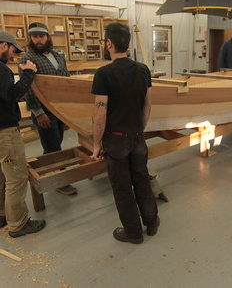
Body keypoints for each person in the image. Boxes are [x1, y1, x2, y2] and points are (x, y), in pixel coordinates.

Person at [91, 23, 159, 244]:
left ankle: (133, 232)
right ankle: (151, 221)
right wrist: (139, 130)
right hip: (137, 137)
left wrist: (96, 144)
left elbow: (100, 114)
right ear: (127, 43)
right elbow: (147, 106)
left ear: (109, 43)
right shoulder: (143, 70)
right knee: (141, 180)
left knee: (122, 188)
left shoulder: (103, 74)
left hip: (116, 140)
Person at [18, 22, 77, 196]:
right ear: (30, 38)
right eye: (35, 37)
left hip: (60, 109)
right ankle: (60, 181)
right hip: (44, 111)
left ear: (47, 37)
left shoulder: (58, 55)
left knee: (54, 144)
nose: (38, 40)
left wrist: (67, 109)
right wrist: (39, 113)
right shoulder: (27, 59)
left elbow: (65, 80)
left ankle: (48, 173)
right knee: (53, 146)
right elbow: (27, 88)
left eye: (41, 36)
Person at [0, 31, 46, 238]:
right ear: (3, 46)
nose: (12, 56)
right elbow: (12, 95)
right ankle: (18, 224)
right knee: (17, 177)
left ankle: (3, 215)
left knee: (2, 176)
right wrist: (28, 74)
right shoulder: (2, 70)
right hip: (5, 132)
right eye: (12, 50)